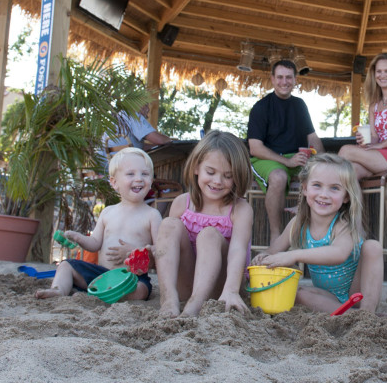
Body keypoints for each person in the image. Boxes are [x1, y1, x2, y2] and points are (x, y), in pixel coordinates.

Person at [251, 154, 383, 313]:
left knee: (372, 246)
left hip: (355, 293)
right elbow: (273, 251)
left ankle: (367, 312)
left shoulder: (343, 225)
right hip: (327, 297)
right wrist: (262, 256)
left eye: (334, 188)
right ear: (305, 188)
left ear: (346, 196)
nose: (324, 194)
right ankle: (349, 314)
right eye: (317, 185)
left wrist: (294, 255)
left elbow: (338, 253)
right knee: (297, 293)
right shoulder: (297, 224)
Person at [35, 147, 161, 300]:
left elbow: (159, 251)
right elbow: (95, 243)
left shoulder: (152, 215)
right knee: (65, 265)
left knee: (141, 289)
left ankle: (111, 296)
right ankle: (58, 290)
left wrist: (135, 252)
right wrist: (79, 238)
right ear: (114, 183)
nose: (139, 178)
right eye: (130, 174)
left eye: (145, 174)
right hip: (101, 275)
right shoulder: (108, 212)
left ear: (151, 181)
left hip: (132, 276)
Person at [155, 130, 254, 317]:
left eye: (227, 175)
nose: (217, 181)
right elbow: (168, 246)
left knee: (209, 234)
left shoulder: (240, 209)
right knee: (169, 224)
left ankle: (195, 307)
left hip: (221, 290)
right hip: (185, 284)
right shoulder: (181, 203)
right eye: (211, 172)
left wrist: (232, 290)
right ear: (196, 168)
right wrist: (149, 252)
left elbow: (238, 250)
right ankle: (168, 300)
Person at [247, 59, 325, 244]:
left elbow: (312, 137)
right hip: (265, 159)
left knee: (324, 175)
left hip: (295, 158)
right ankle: (277, 236)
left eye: (288, 77)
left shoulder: (300, 105)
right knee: (279, 177)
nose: (284, 81)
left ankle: (319, 238)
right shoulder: (261, 107)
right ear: (272, 79)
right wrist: (287, 162)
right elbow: (255, 148)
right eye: (280, 77)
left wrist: (324, 161)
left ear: (295, 80)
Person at [339, 53, 387, 180]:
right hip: (382, 156)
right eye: (379, 71)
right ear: (374, 74)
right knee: (352, 171)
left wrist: (381, 145)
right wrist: (365, 141)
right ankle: (351, 200)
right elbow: (375, 137)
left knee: (345, 151)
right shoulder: (374, 105)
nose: (382, 75)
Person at [106, 103, 171, 155]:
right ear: (138, 105)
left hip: (105, 166)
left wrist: (157, 146)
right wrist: (171, 141)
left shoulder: (119, 117)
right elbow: (160, 140)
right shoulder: (133, 115)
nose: (148, 109)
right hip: (122, 165)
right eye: (146, 105)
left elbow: (138, 147)